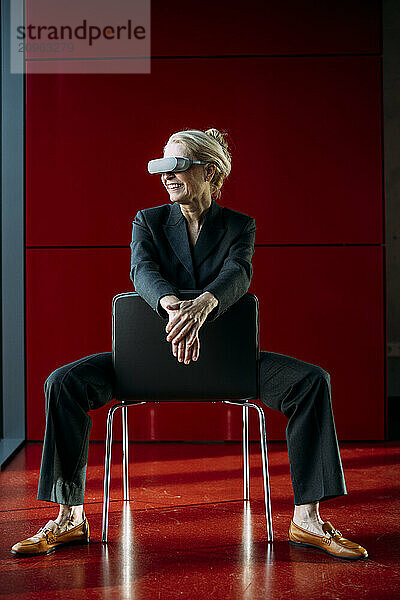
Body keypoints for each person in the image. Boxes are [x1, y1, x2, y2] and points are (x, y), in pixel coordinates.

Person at [11, 128, 368, 560]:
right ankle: (68, 518)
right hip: (147, 360)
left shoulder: (239, 226)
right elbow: (141, 271)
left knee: (312, 382)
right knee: (62, 382)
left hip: (226, 362)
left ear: (210, 172)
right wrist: (175, 307)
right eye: (161, 166)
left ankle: (308, 520)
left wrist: (207, 303)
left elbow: (239, 273)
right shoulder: (149, 221)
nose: (166, 176)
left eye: (177, 166)